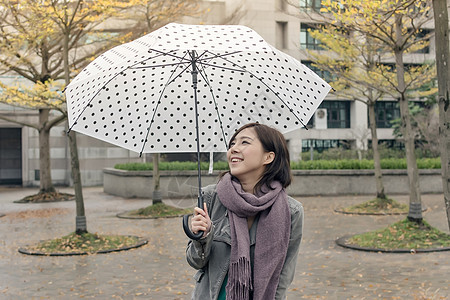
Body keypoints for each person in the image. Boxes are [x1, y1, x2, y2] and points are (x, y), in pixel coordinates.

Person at [186, 123, 304, 300]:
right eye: (232, 144)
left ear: (268, 157)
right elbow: (196, 261)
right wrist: (203, 237)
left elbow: (283, 276)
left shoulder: (292, 211)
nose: (234, 149)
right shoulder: (210, 197)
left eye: (244, 142)